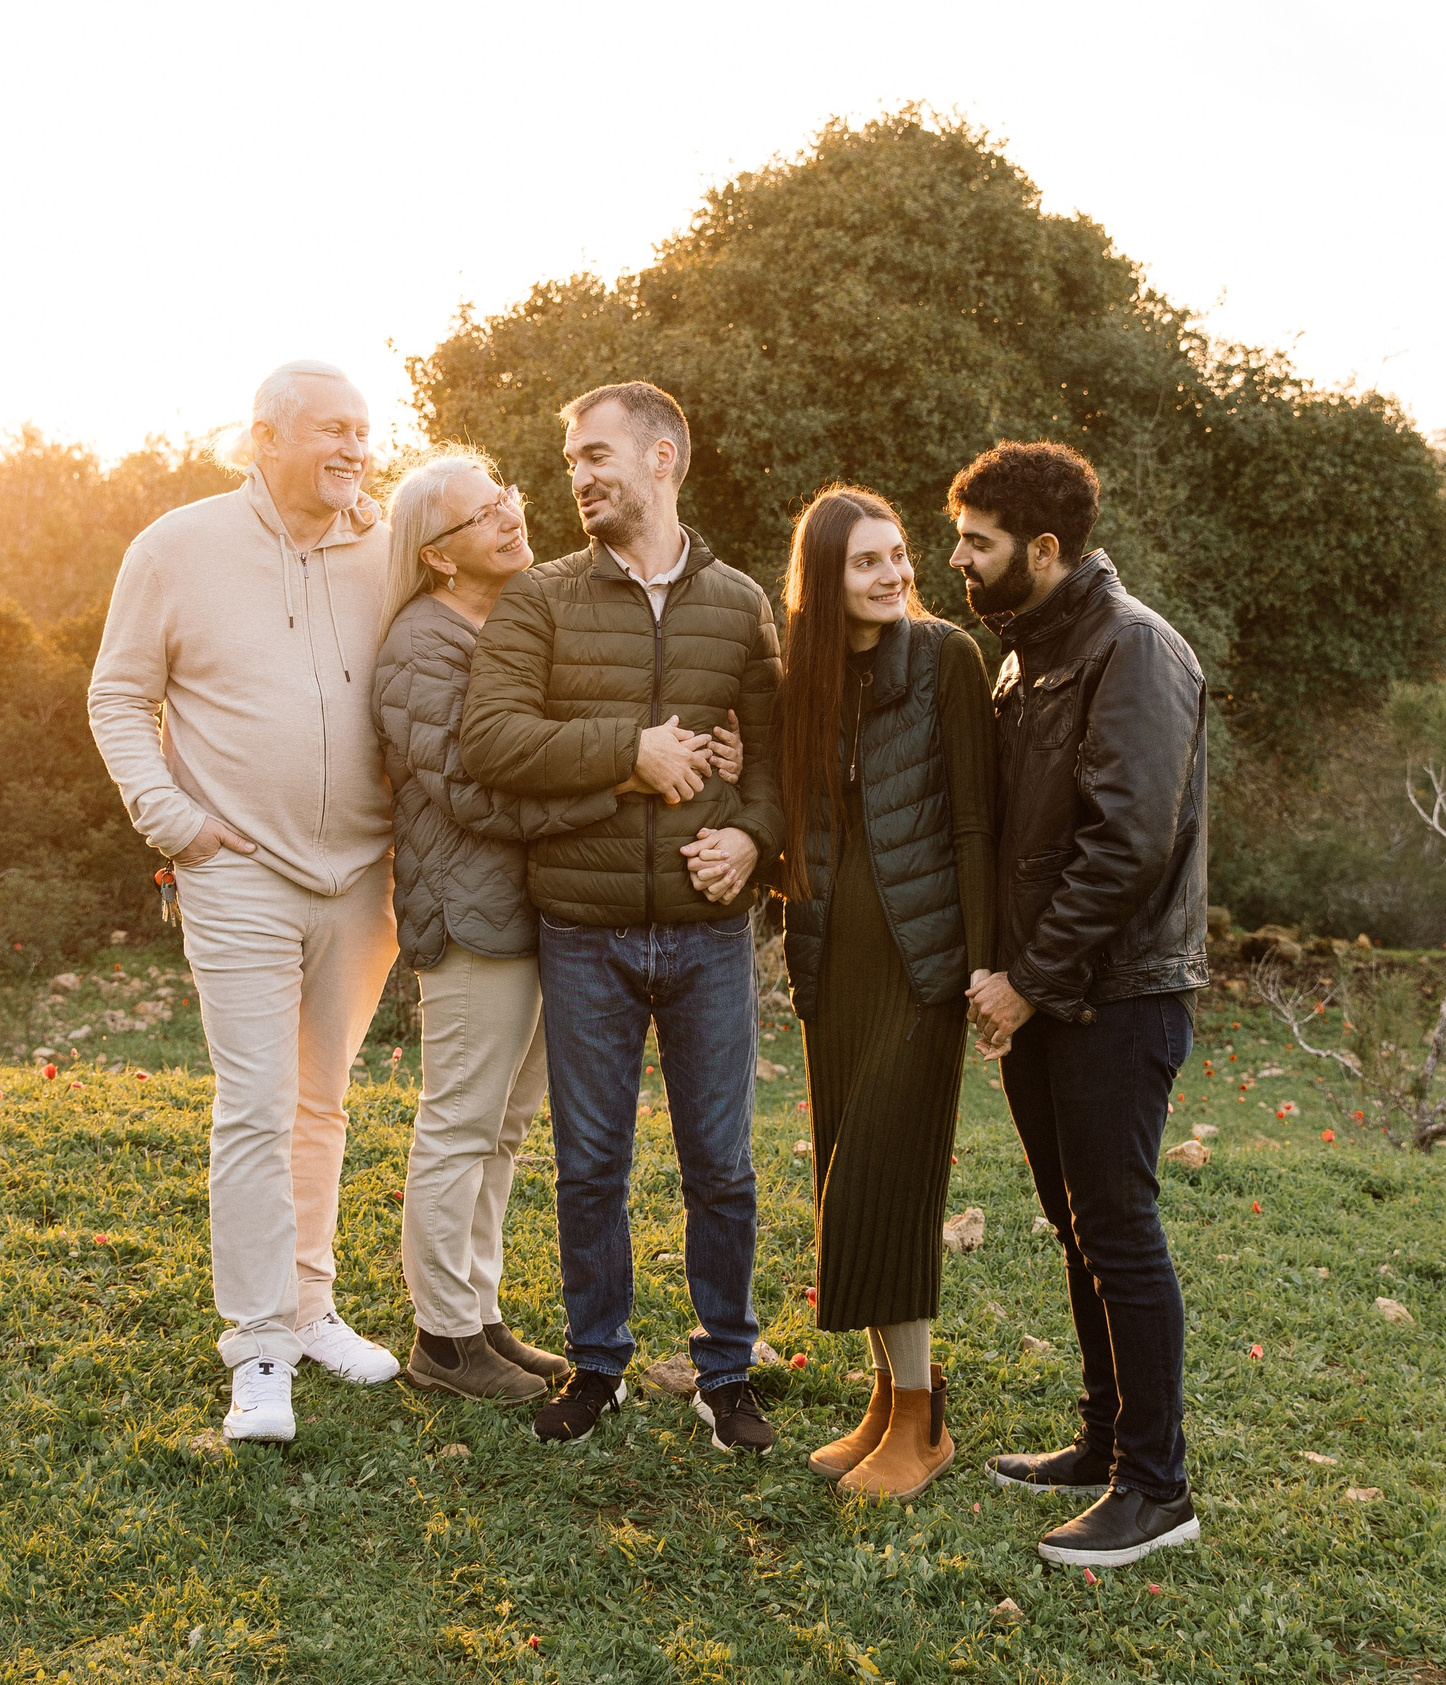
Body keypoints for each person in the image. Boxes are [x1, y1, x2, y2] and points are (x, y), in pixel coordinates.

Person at [373, 449, 740, 1403]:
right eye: (480, 514)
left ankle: (478, 1315)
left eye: (505, 496)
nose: (509, 514)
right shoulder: (423, 645)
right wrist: (621, 783)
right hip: (470, 917)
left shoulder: (510, 620)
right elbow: (479, 796)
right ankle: (441, 1338)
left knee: (503, 1127)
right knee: (458, 1122)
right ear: (438, 557)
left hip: (534, 913)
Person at [460, 381, 784, 1451]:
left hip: (707, 933)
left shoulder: (739, 603)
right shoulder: (540, 600)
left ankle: (724, 1368)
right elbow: (492, 739)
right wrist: (629, 754)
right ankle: (597, 1364)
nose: (579, 476)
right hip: (585, 929)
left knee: (721, 1165)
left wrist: (753, 840)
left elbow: (782, 758)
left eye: (596, 454)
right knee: (589, 1162)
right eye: (569, 461)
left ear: (661, 458)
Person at [89, 359, 406, 1445]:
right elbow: (119, 695)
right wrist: (176, 824)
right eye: (331, 428)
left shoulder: (386, 547)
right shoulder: (174, 547)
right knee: (257, 1103)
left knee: (323, 1100)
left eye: (363, 431)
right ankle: (257, 1347)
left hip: (365, 876)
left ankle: (311, 1307)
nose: (354, 448)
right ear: (263, 436)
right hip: (238, 871)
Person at [951, 441, 1211, 1567]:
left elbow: (1126, 849)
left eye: (977, 542)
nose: (955, 559)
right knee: (1077, 1226)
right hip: (1053, 994)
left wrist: (1026, 978)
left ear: (1043, 550)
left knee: (1118, 1228)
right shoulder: (1029, 654)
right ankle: (1105, 1441)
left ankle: (1156, 1487)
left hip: (1117, 994)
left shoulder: (1133, 650)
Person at [768, 487, 996, 1499]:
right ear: (825, 578)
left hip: (919, 962)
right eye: (868, 561)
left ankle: (921, 1421)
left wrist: (981, 960)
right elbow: (791, 816)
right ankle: (890, 1393)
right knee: (839, 1178)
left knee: (880, 1182)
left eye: (898, 554)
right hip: (832, 960)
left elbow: (976, 826)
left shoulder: (944, 656)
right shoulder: (805, 673)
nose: (895, 573)